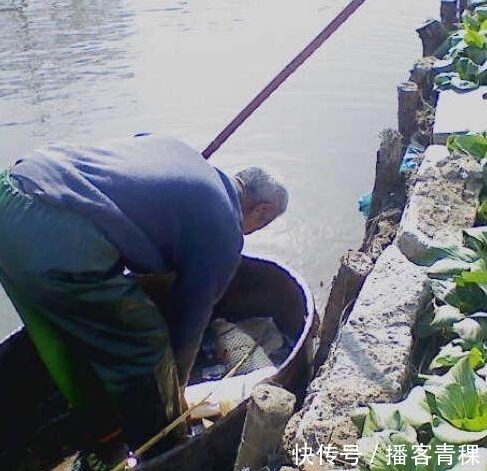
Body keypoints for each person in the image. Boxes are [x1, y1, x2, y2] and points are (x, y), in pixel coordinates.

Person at [0, 133, 288, 469]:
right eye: (259, 225)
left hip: (12, 194)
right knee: (146, 341)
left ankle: (103, 432)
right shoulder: (225, 228)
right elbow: (188, 326)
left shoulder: (180, 152)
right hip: (53, 228)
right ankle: (163, 446)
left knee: (58, 338)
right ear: (262, 210)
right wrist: (175, 390)